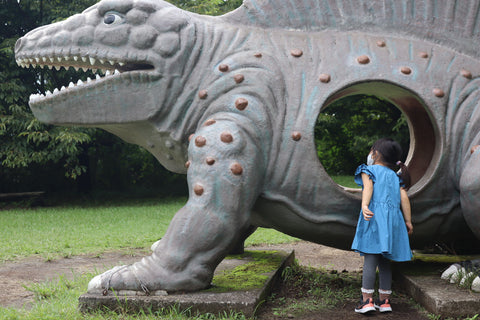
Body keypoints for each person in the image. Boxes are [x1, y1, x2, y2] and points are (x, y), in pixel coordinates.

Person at [351, 138, 413, 314]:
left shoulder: (368, 170)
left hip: (374, 219)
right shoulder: (395, 176)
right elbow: (404, 198)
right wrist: (408, 221)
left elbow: (368, 187)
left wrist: (364, 205)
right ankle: (384, 302)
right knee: (385, 262)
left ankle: (366, 301)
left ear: (375, 154)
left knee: (370, 260)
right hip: (393, 221)